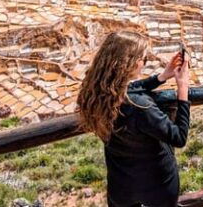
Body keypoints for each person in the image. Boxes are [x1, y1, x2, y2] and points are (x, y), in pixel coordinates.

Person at [77, 31, 191, 207]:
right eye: (143, 60)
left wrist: (161, 77)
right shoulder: (140, 107)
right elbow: (178, 136)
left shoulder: (97, 94)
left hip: (121, 186)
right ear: (129, 63)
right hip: (157, 187)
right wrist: (182, 88)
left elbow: (128, 88)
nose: (144, 64)